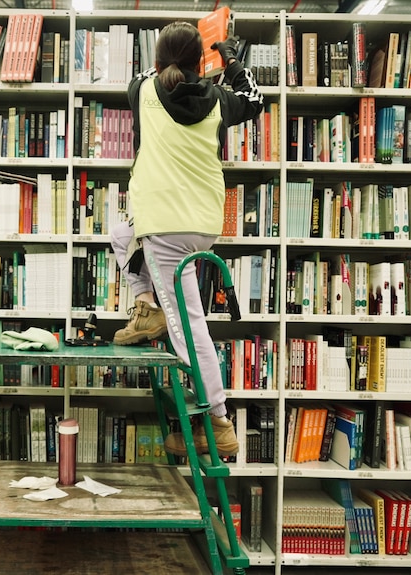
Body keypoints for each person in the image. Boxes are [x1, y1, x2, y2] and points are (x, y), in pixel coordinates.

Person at [110, 21, 263, 457]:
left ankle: (218, 420)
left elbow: (148, 75)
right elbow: (255, 98)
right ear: (203, 64)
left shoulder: (141, 91)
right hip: (201, 223)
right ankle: (147, 308)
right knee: (121, 233)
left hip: (163, 224)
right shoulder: (219, 100)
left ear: (158, 61)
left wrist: (174, 63)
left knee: (189, 328)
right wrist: (230, 59)